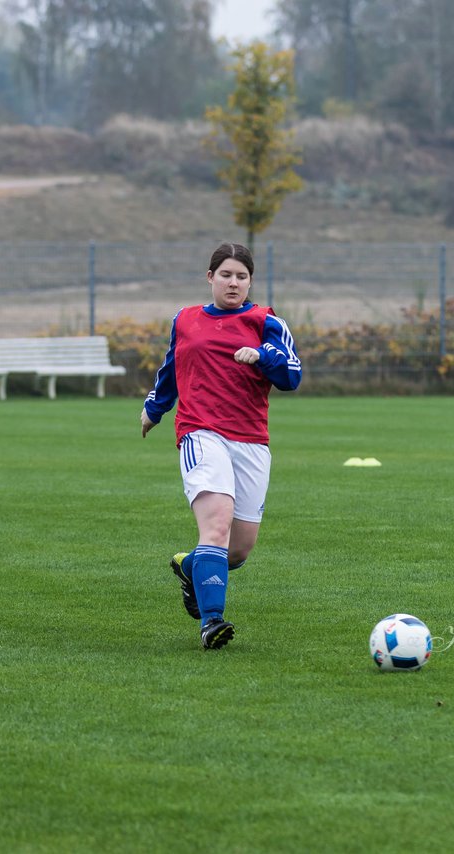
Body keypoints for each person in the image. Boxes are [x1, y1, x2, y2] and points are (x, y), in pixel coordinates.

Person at [140, 242, 302, 650]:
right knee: (217, 524)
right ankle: (212, 622)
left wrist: (262, 355)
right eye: (226, 274)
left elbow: (292, 376)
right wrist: (155, 408)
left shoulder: (267, 321)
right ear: (210, 277)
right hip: (200, 431)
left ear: (251, 282)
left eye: (242, 276)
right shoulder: (186, 319)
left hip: (250, 440)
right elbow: (172, 367)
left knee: (239, 549)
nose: (234, 283)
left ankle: (190, 567)